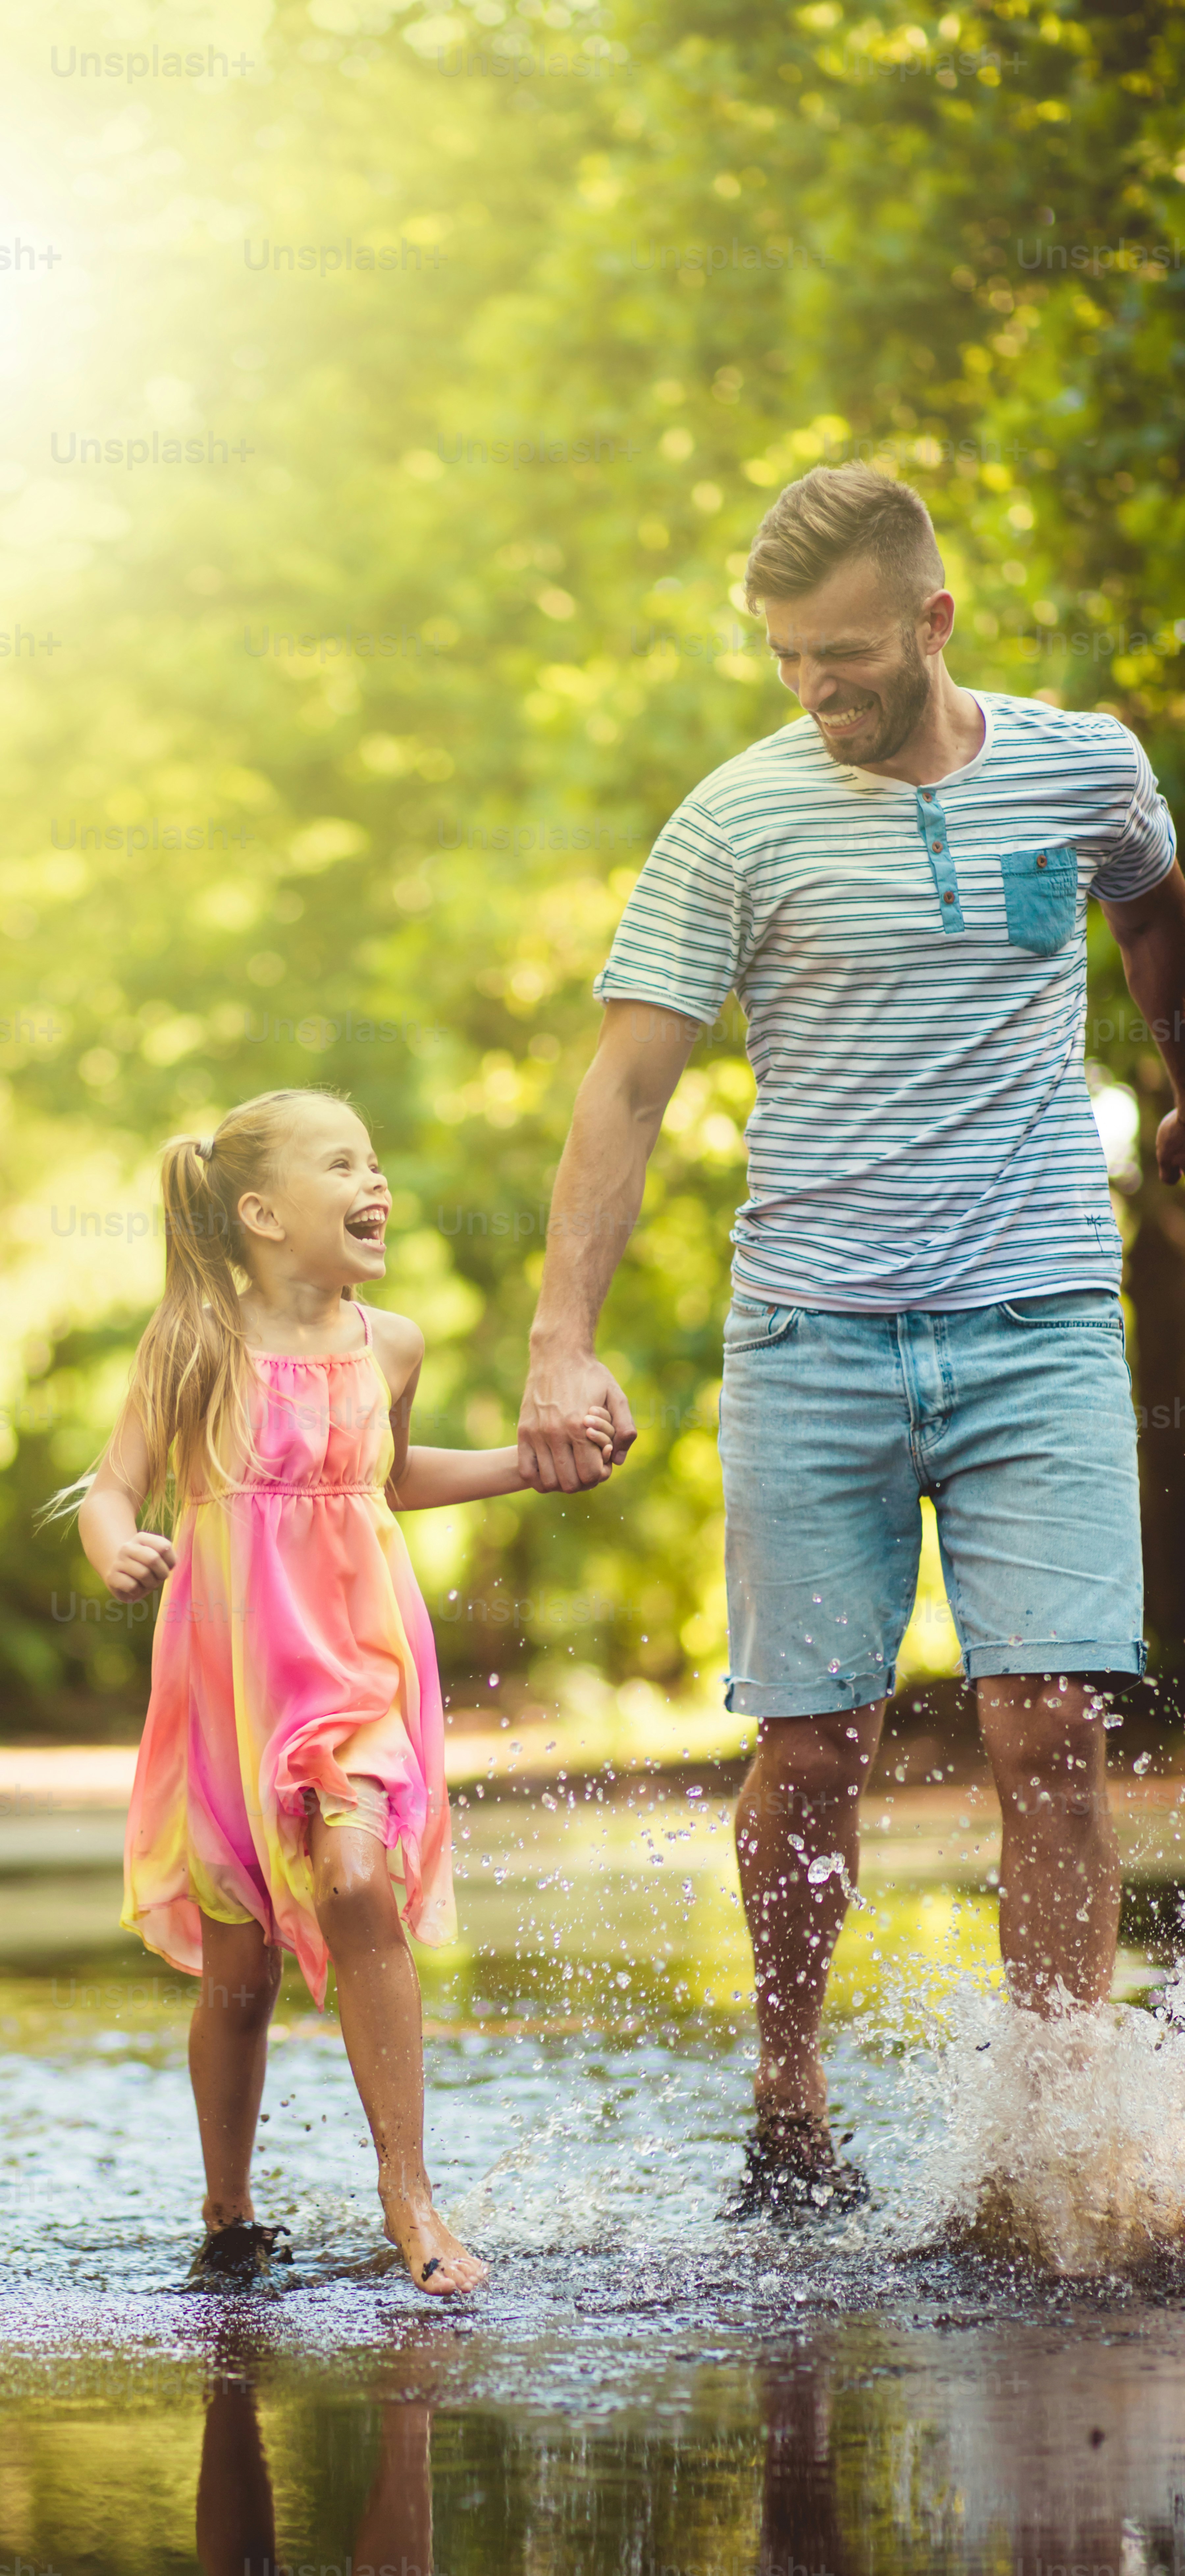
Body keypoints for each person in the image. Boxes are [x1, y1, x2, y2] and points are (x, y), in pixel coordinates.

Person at [515, 462, 1185, 2213]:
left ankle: (1055, 2143)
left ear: (935, 623)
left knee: (1049, 1727)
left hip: (1041, 1324)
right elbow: (630, 1088)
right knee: (816, 1747)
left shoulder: (1085, 769)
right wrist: (558, 1344)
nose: (815, 688)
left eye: (845, 655)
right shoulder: (735, 822)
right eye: (788, 657)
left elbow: (1155, 908)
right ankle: (790, 2097)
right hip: (815, 1340)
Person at [68, 1087, 614, 2291]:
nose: (377, 1185)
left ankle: (408, 2197)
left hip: (359, 1664)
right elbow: (115, 1486)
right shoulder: (193, 1344)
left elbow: (391, 1476)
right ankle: (227, 2209)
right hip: (230, 1685)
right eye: (344, 1166)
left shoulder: (394, 1344)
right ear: (261, 1212)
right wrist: (113, 1543)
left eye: (376, 1163)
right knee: (240, 1970)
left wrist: (529, 1468)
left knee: (360, 1880)